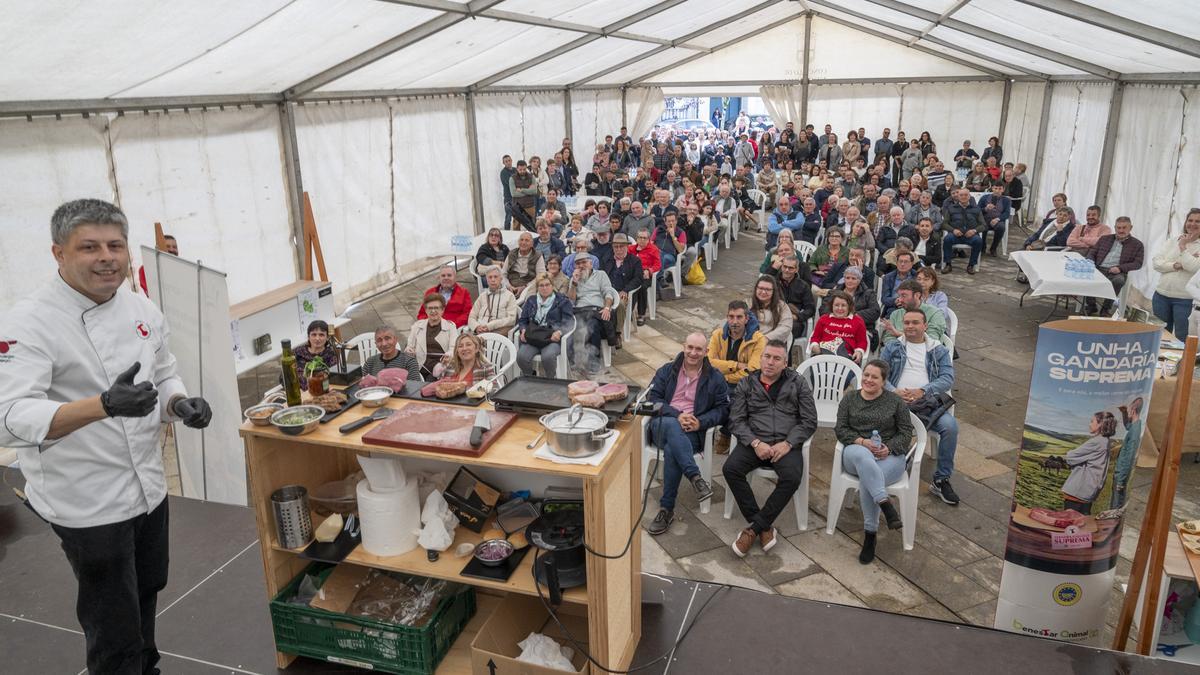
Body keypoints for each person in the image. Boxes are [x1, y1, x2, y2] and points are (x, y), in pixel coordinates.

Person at [0, 198, 212, 674]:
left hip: (149, 489)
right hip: (87, 503)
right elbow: (8, 415)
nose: (106, 257)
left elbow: (163, 372)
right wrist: (102, 406)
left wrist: (178, 403)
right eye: (89, 247)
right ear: (59, 254)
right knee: (110, 618)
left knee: (148, 588)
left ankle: (147, 666)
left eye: (115, 245)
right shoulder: (28, 322)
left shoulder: (139, 307)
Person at [723, 339, 818, 556]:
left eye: (777, 358)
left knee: (793, 477)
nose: (770, 362)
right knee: (730, 469)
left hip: (786, 444)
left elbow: (809, 420)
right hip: (755, 442)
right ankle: (764, 526)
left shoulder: (798, 383)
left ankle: (753, 530)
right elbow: (736, 420)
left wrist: (789, 443)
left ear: (785, 363)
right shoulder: (747, 383)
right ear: (761, 358)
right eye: (767, 357)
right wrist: (755, 443)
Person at [644, 333, 732, 535]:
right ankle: (695, 477)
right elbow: (652, 398)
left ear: (706, 351)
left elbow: (724, 410)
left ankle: (667, 509)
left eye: (698, 349)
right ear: (684, 346)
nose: (693, 353)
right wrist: (677, 415)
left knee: (673, 449)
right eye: (690, 347)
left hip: (693, 430)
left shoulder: (715, 377)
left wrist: (701, 422)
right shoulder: (667, 371)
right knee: (673, 427)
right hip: (662, 424)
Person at [835, 359, 914, 563]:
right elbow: (841, 429)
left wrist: (890, 448)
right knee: (864, 459)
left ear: (884, 381)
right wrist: (862, 441)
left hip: (890, 457)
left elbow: (906, 432)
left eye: (874, 377)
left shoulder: (895, 402)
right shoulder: (850, 398)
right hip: (856, 451)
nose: (868, 380)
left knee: (868, 479)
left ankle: (870, 536)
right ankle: (885, 504)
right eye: (866, 375)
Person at [881, 308, 959, 506]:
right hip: (896, 402)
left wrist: (923, 391)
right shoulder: (892, 347)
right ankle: (889, 470)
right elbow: (877, 373)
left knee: (950, 427)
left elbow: (947, 378)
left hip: (927, 402)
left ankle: (941, 480)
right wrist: (894, 391)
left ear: (925, 326)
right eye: (906, 323)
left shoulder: (938, 350)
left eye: (915, 322)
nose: (910, 326)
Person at [1151, 208, 1200, 339]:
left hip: (1185, 300)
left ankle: (1182, 360)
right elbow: (1156, 262)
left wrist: (1183, 246)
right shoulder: (1173, 240)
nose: (1193, 224)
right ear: (1185, 222)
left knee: (1182, 337)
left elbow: (1194, 267)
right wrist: (1176, 265)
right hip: (1161, 295)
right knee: (1159, 335)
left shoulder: (1184, 243)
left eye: (1198, 221)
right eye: (1190, 220)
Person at [567, 254, 618, 377]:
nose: (581, 266)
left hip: (596, 310)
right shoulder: (574, 278)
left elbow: (608, 292)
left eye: (584, 262)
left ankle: (593, 362)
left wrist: (607, 307)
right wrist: (574, 282)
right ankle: (572, 360)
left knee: (593, 325)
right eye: (578, 263)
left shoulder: (601, 274)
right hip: (580, 310)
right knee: (568, 326)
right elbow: (571, 300)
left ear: (590, 263)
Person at [516, 273, 573, 378]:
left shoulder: (562, 301)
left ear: (552, 285)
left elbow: (569, 321)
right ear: (537, 287)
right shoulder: (531, 300)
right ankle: (530, 377)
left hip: (552, 338)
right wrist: (523, 330)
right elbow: (523, 320)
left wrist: (559, 332)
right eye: (541, 285)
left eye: (547, 285)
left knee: (548, 357)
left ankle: (550, 380)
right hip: (534, 336)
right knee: (521, 357)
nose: (544, 288)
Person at [1084, 216, 1144, 316]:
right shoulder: (1104, 239)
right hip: (1099, 268)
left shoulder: (1137, 244)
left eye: (1124, 228)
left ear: (1131, 228)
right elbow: (1092, 252)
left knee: (1119, 281)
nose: (1121, 230)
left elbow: (1138, 263)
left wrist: (1120, 268)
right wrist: (1090, 260)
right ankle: (1091, 305)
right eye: (1118, 228)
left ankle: (1106, 308)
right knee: (1085, 276)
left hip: (1118, 271)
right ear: (1115, 227)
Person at [1061, 412, 1118, 515]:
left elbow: (1070, 457)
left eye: (1092, 421)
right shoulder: (1106, 441)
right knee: (1082, 522)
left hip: (1079, 490)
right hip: (1090, 490)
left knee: (1069, 522)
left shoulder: (1096, 442)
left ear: (1101, 424)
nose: (1089, 424)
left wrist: (1070, 453)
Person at [880, 280, 948, 345]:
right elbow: (888, 338)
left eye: (904, 296)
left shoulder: (934, 313)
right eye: (899, 296)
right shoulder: (896, 314)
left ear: (917, 295)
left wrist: (899, 334)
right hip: (898, 353)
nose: (900, 300)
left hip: (925, 355)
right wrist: (899, 350)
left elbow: (932, 340)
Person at [604, 233, 643, 345]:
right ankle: (604, 332)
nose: (619, 249)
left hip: (623, 292)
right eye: (616, 246)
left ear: (627, 247)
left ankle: (617, 334)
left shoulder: (635, 261)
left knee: (620, 304)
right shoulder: (607, 259)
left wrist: (626, 289)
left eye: (621, 246)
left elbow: (638, 279)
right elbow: (601, 275)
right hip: (608, 291)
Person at [810, 290, 868, 363]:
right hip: (824, 354)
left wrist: (859, 351)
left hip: (846, 357)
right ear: (832, 306)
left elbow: (862, 341)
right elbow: (815, 337)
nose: (840, 308)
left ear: (849, 306)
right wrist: (815, 345)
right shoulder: (824, 319)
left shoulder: (858, 321)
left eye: (843, 305)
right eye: (836, 305)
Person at [407, 293, 457, 379]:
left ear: (442, 310)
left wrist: (448, 355)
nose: (433, 311)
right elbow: (409, 347)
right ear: (425, 310)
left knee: (430, 382)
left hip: (442, 368)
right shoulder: (417, 326)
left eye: (436, 308)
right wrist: (409, 350)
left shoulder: (451, 326)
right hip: (419, 367)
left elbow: (453, 348)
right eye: (430, 308)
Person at [941, 187, 985, 274]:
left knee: (978, 241)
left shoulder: (976, 209)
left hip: (971, 235)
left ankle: (971, 265)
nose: (963, 197)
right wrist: (953, 230)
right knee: (947, 239)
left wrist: (974, 231)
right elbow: (944, 224)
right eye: (961, 195)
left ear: (969, 196)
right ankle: (948, 264)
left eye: (966, 195)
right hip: (955, 234)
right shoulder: (951, 208)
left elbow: (983, 225)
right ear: (958, 196)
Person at [1111, 398, 1144, 509]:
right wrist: (1124, 413)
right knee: (1115, 501)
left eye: (1129, 410)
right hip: (1120, 472)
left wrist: (1121, 480)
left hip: (1121, 474)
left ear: (1133, 410)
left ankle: (1112, 525)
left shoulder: (1135, 432)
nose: (1128, 411)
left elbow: (1130, 457)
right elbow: (1127, 426)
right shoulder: (1135, 426)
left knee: (1116, 505)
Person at [468, 266, 519, 334]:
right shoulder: (482, 296)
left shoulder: (509, 296)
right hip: (479, 331)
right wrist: (476, 327)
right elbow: (472, 316)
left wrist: (490, 326)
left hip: (498, 333)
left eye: (495, 277)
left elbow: (511, 319)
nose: (493, 280)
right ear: (486, 280)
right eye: (490, 277)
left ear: (501, 279)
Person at [777, 255, 816, 341]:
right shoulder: (774, 282)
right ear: (781, 266)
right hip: (775, 315)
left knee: (789, 329)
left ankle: (784, 352)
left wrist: (797, 317)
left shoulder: (803, 286)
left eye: (790, 268)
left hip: (794, 320)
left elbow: (810, 308)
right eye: (785, 267)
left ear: (796, 269)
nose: (787, 270)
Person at [293, 319, 339, 390]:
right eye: (314, 334)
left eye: (321, 335)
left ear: (327, 337)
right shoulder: (298, 352)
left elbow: (334, 378)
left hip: (321, 391)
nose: (317, 338)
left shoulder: (330, 354)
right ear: (308, 336)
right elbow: (285, 375)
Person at [750, 275, 793, 343]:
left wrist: (766, 338)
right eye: (760, 288)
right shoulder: (748, 304)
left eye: (767, 289)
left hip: (771, 343)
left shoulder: (782, 306)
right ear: (756, 289)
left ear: (773, 291)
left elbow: (785, 327)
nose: (763, 292)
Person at [503, 231, 546, 298]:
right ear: (518, 242)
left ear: (532, 244)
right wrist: (508, 286)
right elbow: (503, 274)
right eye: (521, 240)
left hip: (529, 287)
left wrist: (525, 287)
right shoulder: (511, 254)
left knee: (529, 295)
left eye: (527, 240)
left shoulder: (538, 256)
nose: (523, 243)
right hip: (511, 286)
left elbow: (541, 276)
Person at [632, 229, 662, 325]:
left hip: (646, 276)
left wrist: (649, 271)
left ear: (648, 239)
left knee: (642, 287)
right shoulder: (631, 249)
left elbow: (658, 265)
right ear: (637, 238)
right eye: (640, 237)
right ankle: (629, 312)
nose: (642, 240)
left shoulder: (653, 249)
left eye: (644, 238)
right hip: (633, 275)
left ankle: (641, 314)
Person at [977, 183, 1011, 256]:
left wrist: (998, 219)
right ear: (992, 188)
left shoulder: (1006, 200)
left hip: (998, 220)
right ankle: (982, 247)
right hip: (985, 219)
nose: (997, 191)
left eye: (1000, 189)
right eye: (995, 188)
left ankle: (993, 248)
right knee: (982, 226)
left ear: (1003, 189)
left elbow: (1007, 213)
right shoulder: (984, 198)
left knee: (1001, 227)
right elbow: (977, 210)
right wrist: (986, 208)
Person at [508, 159, 539, 230]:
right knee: (516, 228)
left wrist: (522, 190)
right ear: (517, 168)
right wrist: (528, 191)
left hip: (530, 206)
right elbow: (514, 194)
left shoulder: (532, 177)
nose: (522, 171)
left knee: (532, 227)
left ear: (526, 168)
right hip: (517, 207)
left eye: (524, 169)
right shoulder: (512, 178)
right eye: (520, 169)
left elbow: (534, 191)